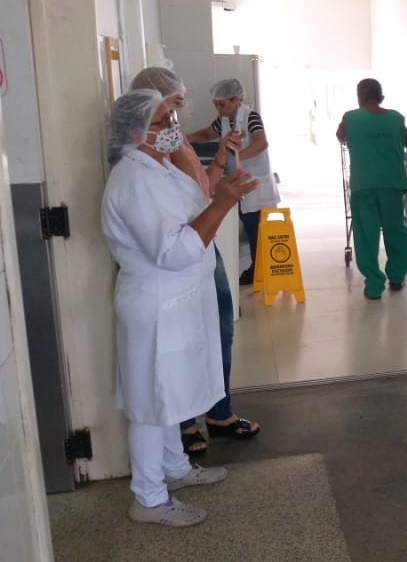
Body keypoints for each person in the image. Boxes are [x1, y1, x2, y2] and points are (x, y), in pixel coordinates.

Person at [101, 89, 258, 526]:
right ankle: (149, 499)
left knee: (167, 394)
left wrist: (219, 183)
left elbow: (193, 207)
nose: (174, 128)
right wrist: (223, 203)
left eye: (173, 118)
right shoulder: (134, 181)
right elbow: (171, 251)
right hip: (156, 304)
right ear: (135, 132)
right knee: (151, 404)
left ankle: (175, 468)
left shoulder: (159, 166)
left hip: (177, 300)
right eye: (163, 121)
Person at [130, 67, 262, 457]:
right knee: (185, 338)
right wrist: (221, 200)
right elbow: (175, 219)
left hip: (201, 244)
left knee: (219, 327)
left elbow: (199, 190)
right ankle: (185, 422)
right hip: (179, 253)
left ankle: (219, 412)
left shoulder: (174, 143)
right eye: (172, 107)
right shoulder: (145, 160)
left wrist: (220, 161)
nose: (178, 117)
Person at [188, 78, 280, 286]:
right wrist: (187, 138)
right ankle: (258, 269)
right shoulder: (223, 120)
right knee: (249, 226)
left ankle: (259, 271)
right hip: (240, 181)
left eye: (222, 104)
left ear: (236, 99)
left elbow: (261, 143)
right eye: (216, 104)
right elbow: (207, 134)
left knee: (257, 229)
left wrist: (236, 157)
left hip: (256, 182)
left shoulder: (251, 117)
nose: (219, 109)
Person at [335, 79, 407, 299]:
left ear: (359, 96)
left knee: (366, 235)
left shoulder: (350, 118)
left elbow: (341, 136)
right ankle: (397, 277)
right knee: (395, 230)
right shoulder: (396, 118)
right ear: (380, 96)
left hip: (364, 185)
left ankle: (374, 285)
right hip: (393, 184)